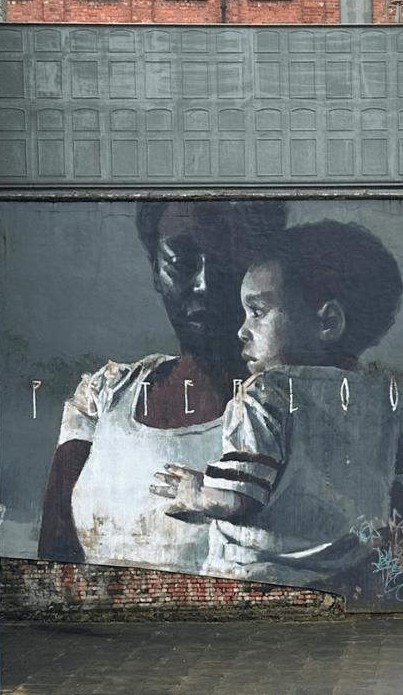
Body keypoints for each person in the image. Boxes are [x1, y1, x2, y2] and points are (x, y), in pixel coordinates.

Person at [151, 221, 403, 601]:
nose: (242, 331)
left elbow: (238, 499)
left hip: (262, 586)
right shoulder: (382, 399)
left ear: (327, 322)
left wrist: (196, 493)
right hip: (354, 582)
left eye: (257, 312)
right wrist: (400, 528)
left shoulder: (266, 395)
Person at [37, 200, 286, 569]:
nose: (204, 285)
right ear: (156, 270)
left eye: (227, 263)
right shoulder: (103, 397)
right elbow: (54, 557)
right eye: (182, 264)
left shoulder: (288, 410)